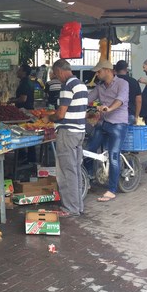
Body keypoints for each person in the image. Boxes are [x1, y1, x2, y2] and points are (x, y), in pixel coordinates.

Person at [44, 59, 88, 216]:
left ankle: (69, 208)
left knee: (66, 171)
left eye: (56, 75)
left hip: (68, 133)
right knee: (74, 170)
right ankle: (77, 206)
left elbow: (61, 114)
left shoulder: (67, 86)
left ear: (60, 71)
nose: (57, 78)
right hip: (79, 132)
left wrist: (50, 118)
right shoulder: (81, 84)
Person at [84, 60, 129, 202]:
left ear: (108, 71)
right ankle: (89, 177)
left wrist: (109, 108)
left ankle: (112, 189)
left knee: (113, 155)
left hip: (118, 124)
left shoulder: (122, 83)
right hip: (103, 123)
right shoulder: (99, 87)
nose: (97, 74)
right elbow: (88, 98)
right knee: (89, 151)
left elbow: (120, 100)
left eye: (99, 71)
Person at [114, 60, 142, 125]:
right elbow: (139, 100)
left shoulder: (112, 81)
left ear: (115, 69)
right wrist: (136, 116)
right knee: (128, 134)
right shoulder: (133, 82)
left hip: (112, 114)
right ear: (126, 69)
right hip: (129, 114)